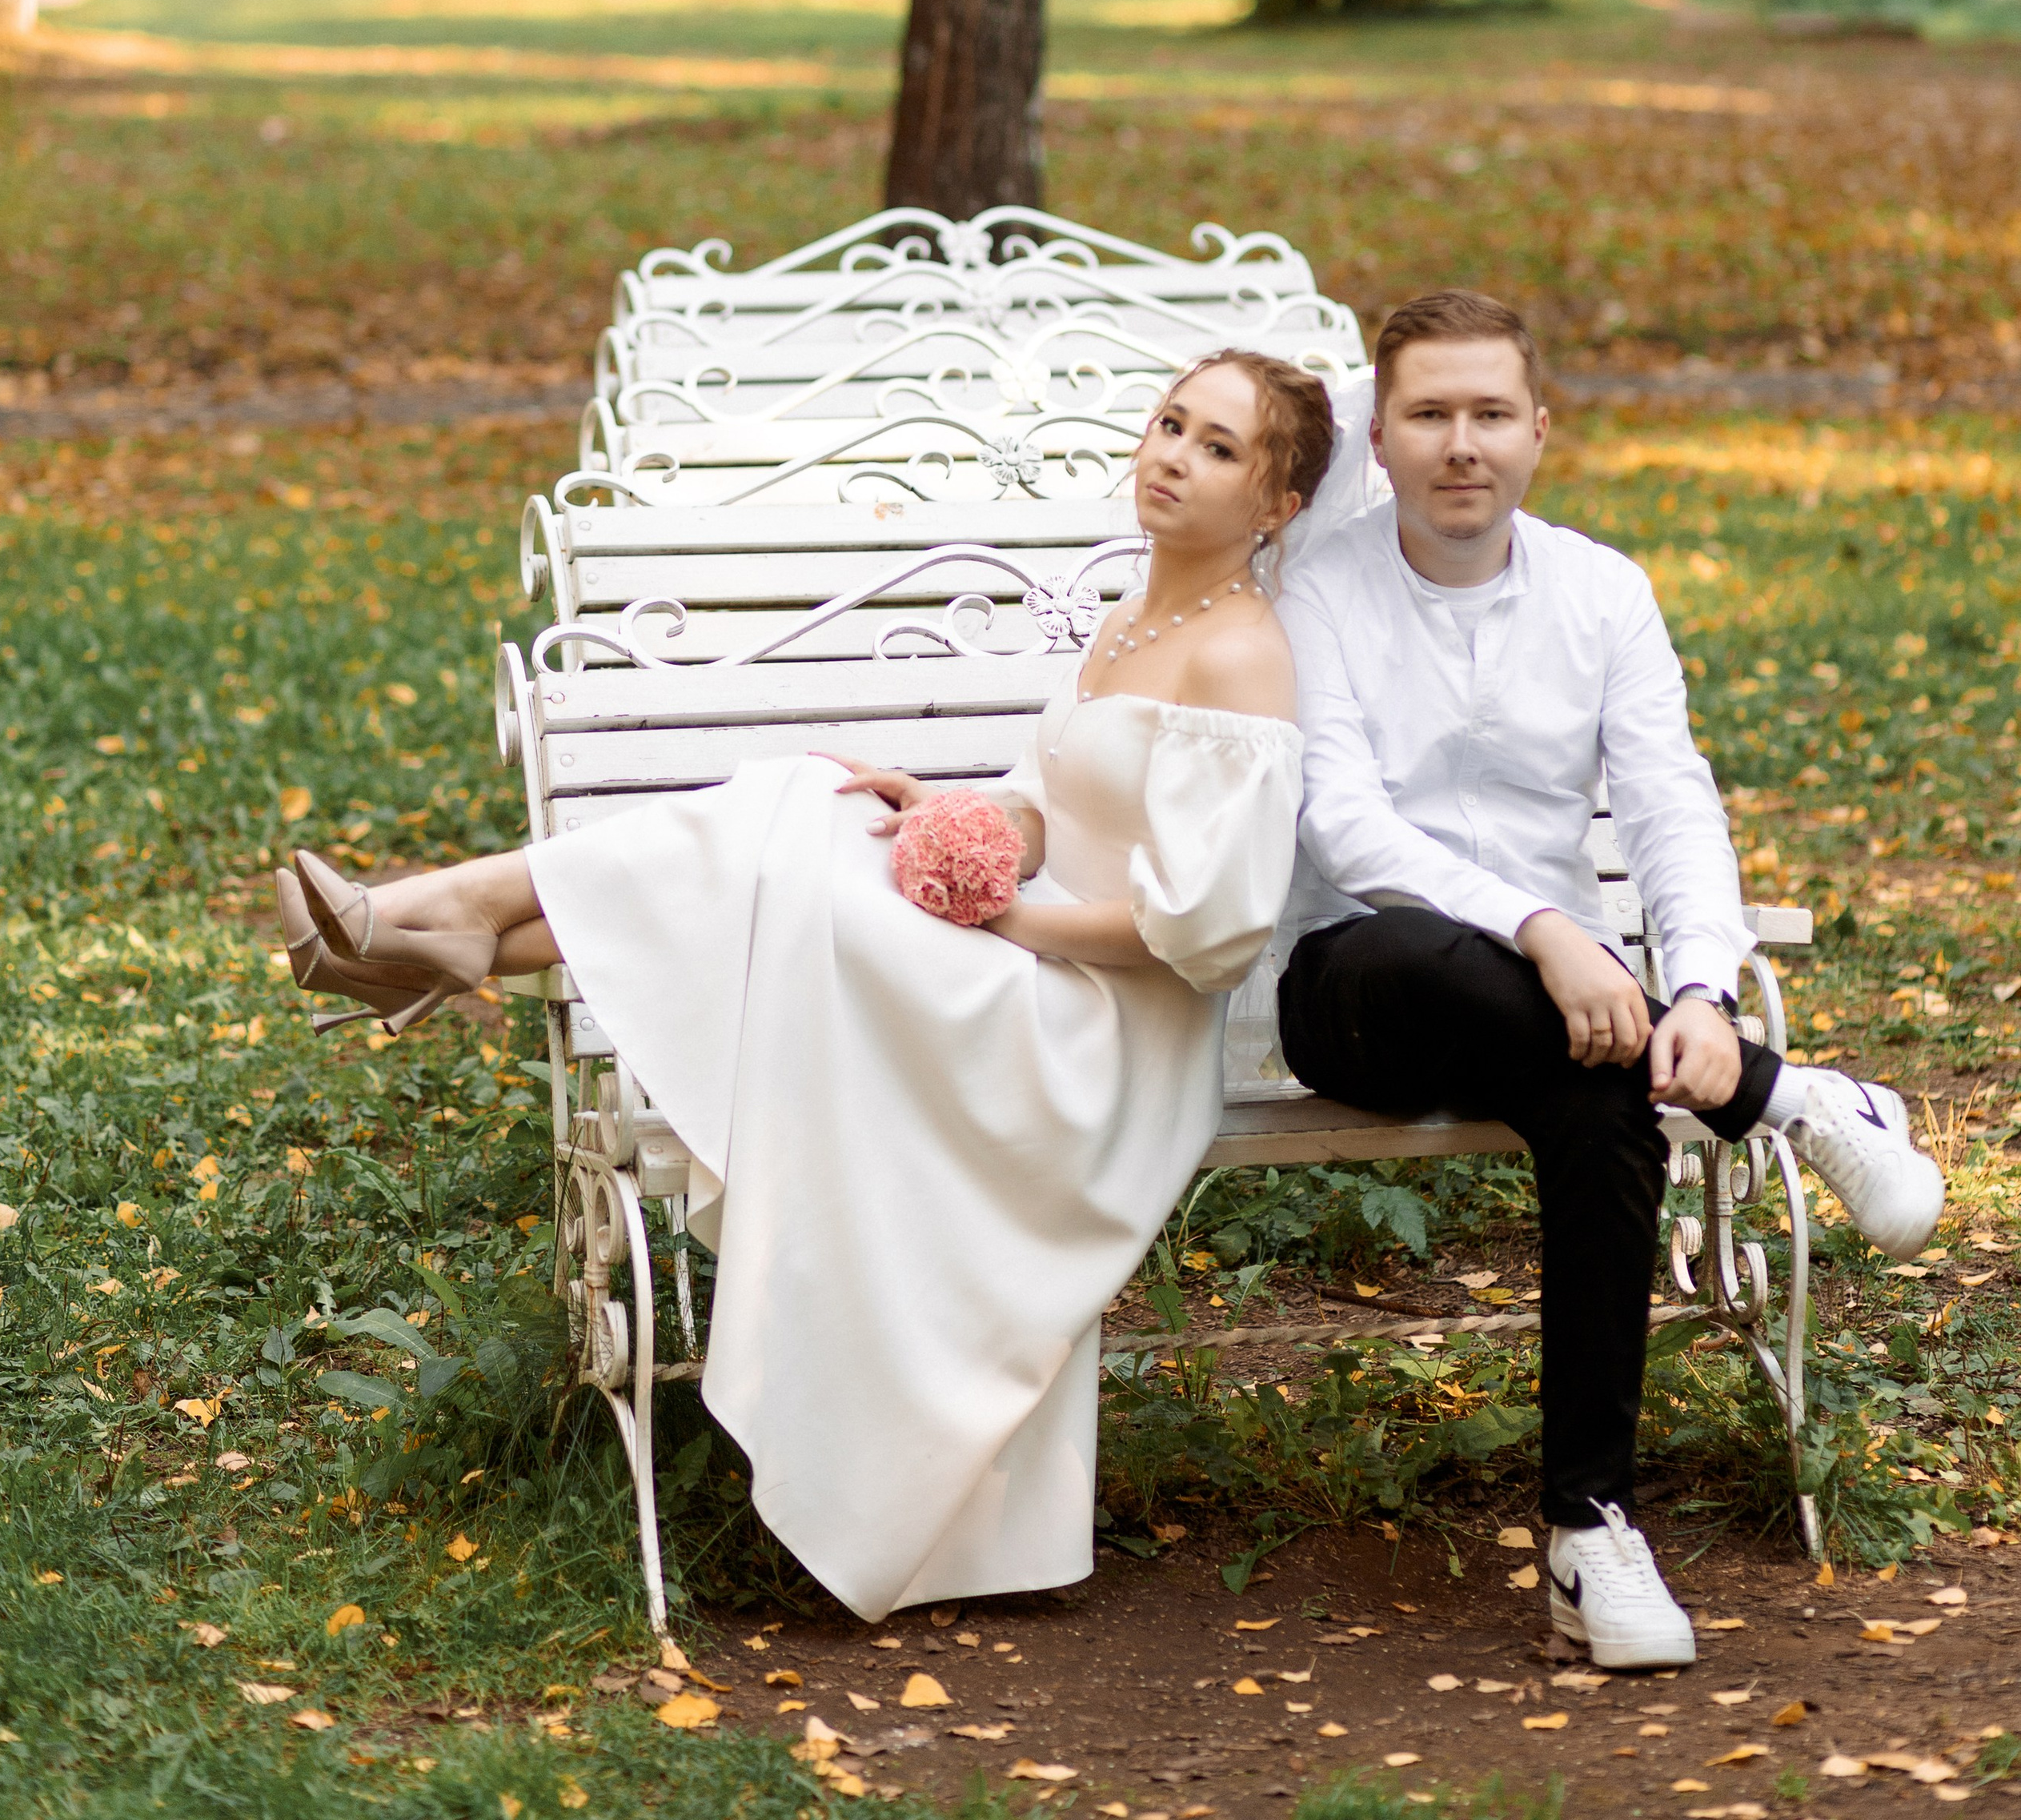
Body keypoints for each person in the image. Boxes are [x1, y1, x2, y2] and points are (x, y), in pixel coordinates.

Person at [278, 349, 1336, 1621]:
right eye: (1169, 423)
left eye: (1220, 447)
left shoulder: (1241, 659)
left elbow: (1203, 935)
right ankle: (446, 932)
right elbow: (1049, 804)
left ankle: (436, 925)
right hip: (1036, 966)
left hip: (1106, 1038)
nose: (1172, 455)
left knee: (784, 822)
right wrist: (956, 820)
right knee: (818, 807)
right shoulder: (1130, 618)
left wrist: (1013, 918)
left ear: (1277, 503)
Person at [1276, 288, 1943, 1673]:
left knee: (1604, 1112)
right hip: (1362, 990)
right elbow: (1345, 827)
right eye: (1430, 415)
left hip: (1582, 1023)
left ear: (1540, 430)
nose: (1463, 444)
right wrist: (1539, 923)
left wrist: (1695, 985)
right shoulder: (1317, 590)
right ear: (1383, 439)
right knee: (1419, 947)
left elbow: (1668, 806)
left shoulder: (1602, 591)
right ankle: (1795, 1095)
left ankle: (1589, 1527)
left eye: (1491, 414)